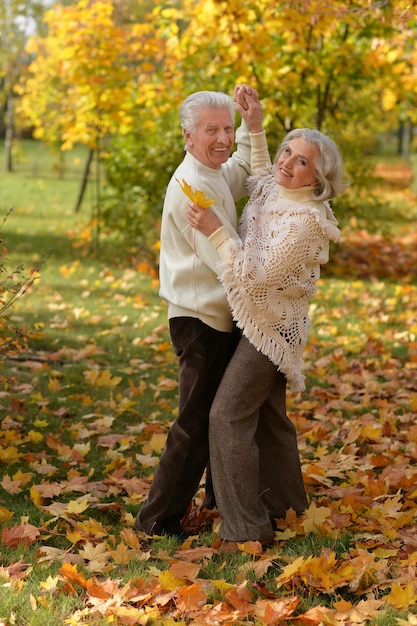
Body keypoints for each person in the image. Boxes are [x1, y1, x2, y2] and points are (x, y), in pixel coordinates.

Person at [186, 126, 349, 550]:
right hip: (254, 320)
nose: (286, 162)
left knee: (227, 416)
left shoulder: (306, 224)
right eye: (287, 151)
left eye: (301, 161)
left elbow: (256, 280)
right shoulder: (273, 189)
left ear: (316, 178)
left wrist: (216, 230)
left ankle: (245, 530)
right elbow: (261, 172)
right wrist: (254, 125)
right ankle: (286, 506)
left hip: (271, 330)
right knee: (271, 419)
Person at [134, 85, 270, 539]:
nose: (222, 138)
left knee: (218, 415)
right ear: (188, 136)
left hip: (219, 314)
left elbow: (246, 170)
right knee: (193, 425)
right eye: (211, 130)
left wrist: (254, 127)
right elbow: (225, 263)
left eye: (226, 128)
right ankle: (157, 520)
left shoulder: (211, 170)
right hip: (199, 320)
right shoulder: (192, 189)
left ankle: (217, 499)